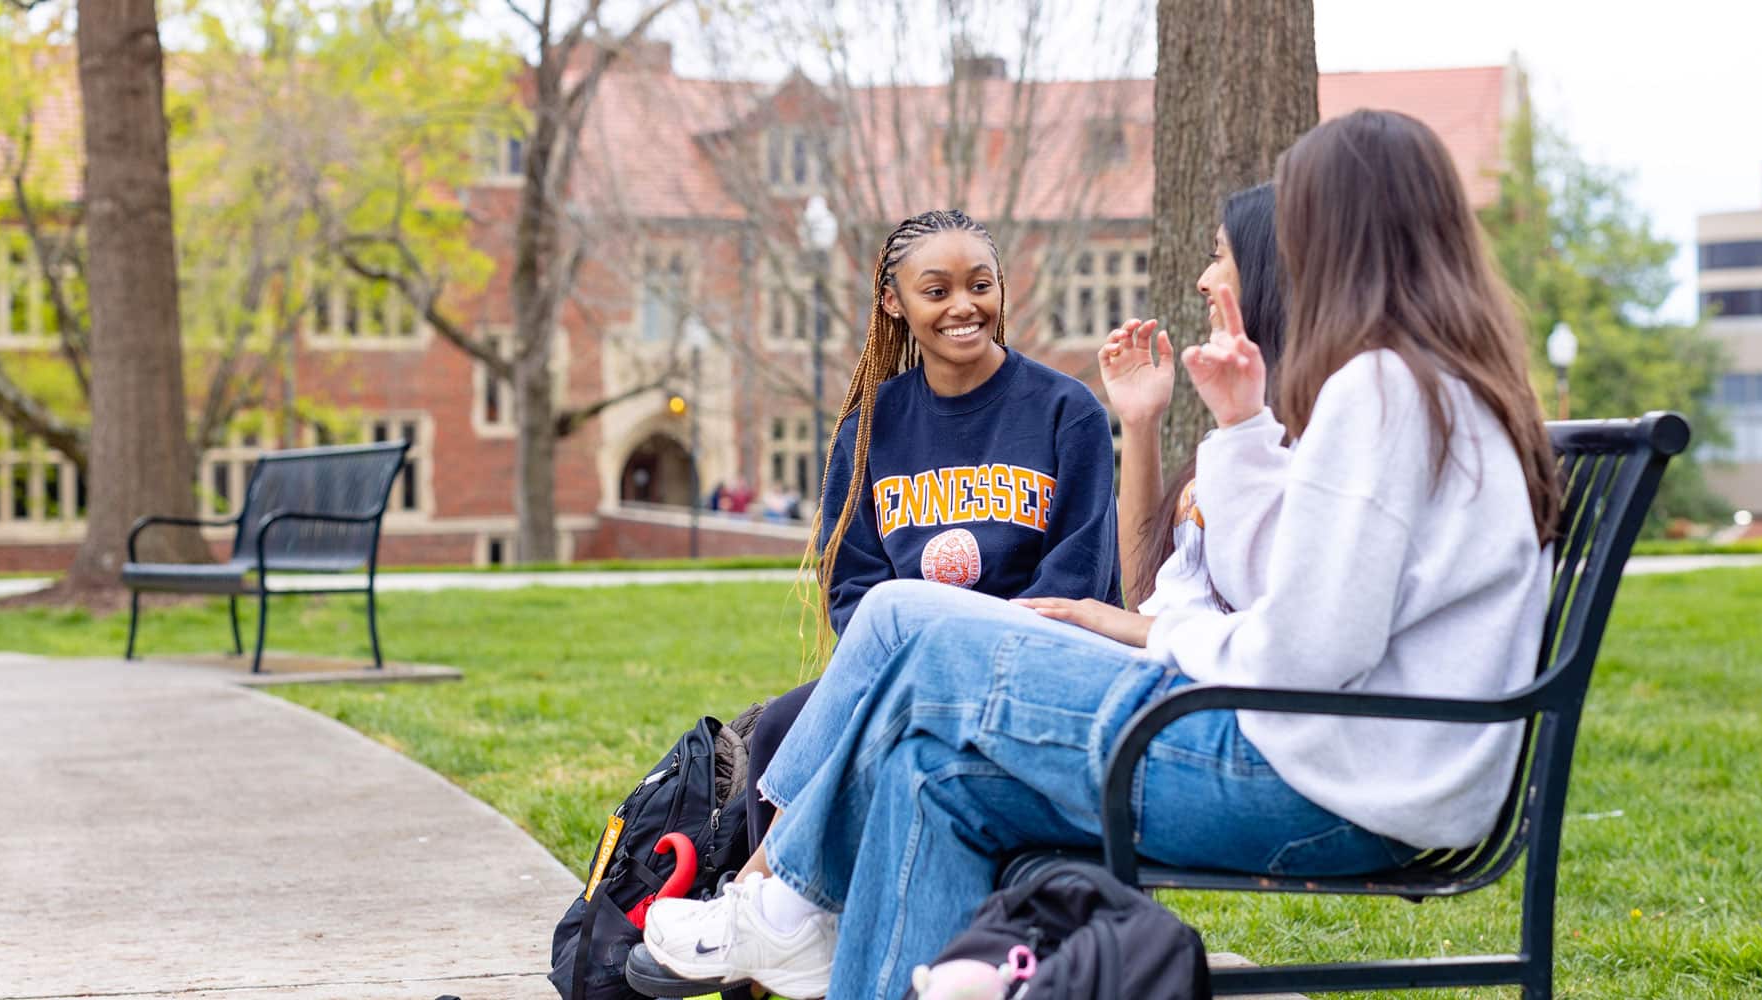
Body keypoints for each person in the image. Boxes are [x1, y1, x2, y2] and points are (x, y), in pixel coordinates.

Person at [639, 109, 1566, 1000]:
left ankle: (778, 895)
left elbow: (1306, 652)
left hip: (1326, 783)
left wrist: (1166, 636)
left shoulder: (1383, 390)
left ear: (1336, 233)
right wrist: (1231, 462)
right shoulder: (1439, 385)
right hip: (1348, 764)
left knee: (894, 620)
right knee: (926, 771)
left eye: (1282, 223)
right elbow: (1290, 602)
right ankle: (784, 910)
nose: (1234, 261)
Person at [734, 208, 1123, 886]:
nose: (964, 307)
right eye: (937, 291)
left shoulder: (1068, 411)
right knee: (778, 730)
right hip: (898, 670)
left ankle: (773, 900)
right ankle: (765, 960)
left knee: (894, 743)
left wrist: (954, 658)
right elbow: (853, 588)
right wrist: (911, 665)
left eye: (980, 285)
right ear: (894, 302)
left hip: (1030, 667)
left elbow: (1079, 578)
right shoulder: (870, 430)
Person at [1099, 181, 1284, 611]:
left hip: (1202, 675)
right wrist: (1139, 422)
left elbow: (1261, 611)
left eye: (1220, 257)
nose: (1204, 282)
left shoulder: (1301, 424)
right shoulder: (1244, 416)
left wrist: (1121, 626)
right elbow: (1147, 590)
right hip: (1167, 660)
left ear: (1270, 271)